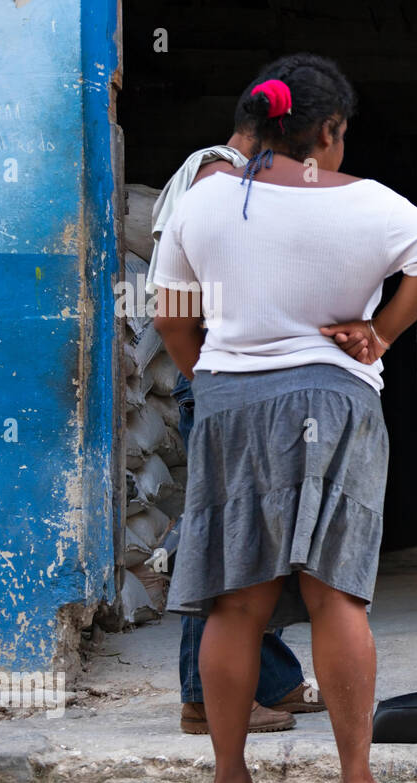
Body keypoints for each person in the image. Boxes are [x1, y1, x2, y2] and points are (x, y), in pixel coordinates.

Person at [152, 54, 417, 783]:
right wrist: (380, 333)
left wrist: (213, 382)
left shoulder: (203, 200)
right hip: (334, 400)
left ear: (257, 125)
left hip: (231, 402)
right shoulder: (367, 203)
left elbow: (169, 314)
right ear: (328, 132)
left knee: (233, 603)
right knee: (337, 598)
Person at [151, 123, 324, 735]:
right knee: (221, 538)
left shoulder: (223, 175)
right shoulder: (216, 172)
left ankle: (271, 679)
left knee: (255, 535)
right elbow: (178, 304)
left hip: (235, 379)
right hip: (221, 379)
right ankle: (203, 697)